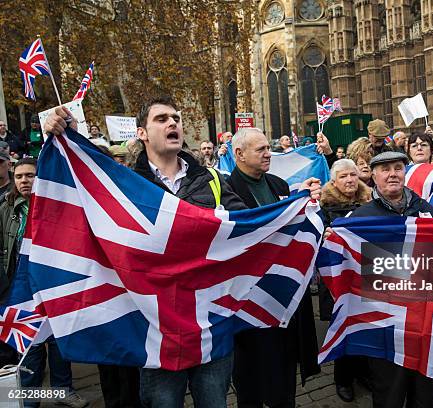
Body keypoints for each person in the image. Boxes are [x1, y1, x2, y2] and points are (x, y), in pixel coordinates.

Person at [44, 96, 247, 408]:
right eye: (162, 119)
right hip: (156, 328)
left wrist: (304, 210)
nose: (173, 123)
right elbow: (83, 201)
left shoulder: (214, 180)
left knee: (214, 402)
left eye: (176, 118)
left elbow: (249, 229)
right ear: (142, 133)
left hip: (210, 323)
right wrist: (65, 133)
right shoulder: (126, 185)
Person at [226, 127, 321, 408]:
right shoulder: (227, 190)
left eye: (268, 148)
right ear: (239, 154)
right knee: (251, 374)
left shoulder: (279, 185)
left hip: (283, 296)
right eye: (262, 149)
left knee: (284, 368)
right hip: (248, 298)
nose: (269, 154)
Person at [346, 151, 433, 408]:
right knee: (390, 388)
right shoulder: (361, 217)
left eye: (398, 168)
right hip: (383, 318)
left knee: (424, 388)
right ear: (373, 176)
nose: (392, 174)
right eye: (385, 169)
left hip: (423, 314)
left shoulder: (426, 209)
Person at [0, 158, 88, 408]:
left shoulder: (57, 204)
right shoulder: (6, 208)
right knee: (29, 345)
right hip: (21, 287)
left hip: (53, 283)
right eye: (19, 177)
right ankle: (29, 398)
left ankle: (63, 391)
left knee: (59, 341)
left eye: (30, 175)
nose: (24, 181)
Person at [317, 159, 371, 402]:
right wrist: (324, 236)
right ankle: (343, 378)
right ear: (333, 181)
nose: (350, 180)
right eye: (343, 176)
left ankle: (362, 373)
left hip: (365, 276)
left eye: (353, 175)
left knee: (365, 326)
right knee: (342, 327)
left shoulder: (370, 202)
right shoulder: (323, 208)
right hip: (338, 280)